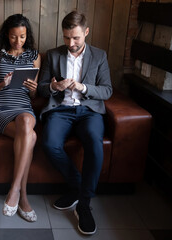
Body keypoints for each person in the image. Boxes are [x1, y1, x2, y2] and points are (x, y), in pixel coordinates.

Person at [38, 11, 113, 235]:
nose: (71, 43)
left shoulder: (99, 56)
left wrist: (83, 87)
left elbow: (107, 90)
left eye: (76, 38)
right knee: (49, 144)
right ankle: (79, 186)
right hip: (60, 109)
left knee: (94, 142)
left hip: (89, 111)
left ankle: (83, 203)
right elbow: (41, 87)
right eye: (66, 37)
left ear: (86, 33)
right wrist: (54, 87)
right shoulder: (52, 55)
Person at [0, 14, 41, 222]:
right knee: (31, 137)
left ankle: (15, 190)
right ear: (6, 35)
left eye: (22, 37)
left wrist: (34, 89)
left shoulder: (34, 56)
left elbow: (33, 96)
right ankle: (24, 197)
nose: (18, 42)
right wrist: (2, 85)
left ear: (27, 36)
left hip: (23, 107)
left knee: (27, 122)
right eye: (13, 37)